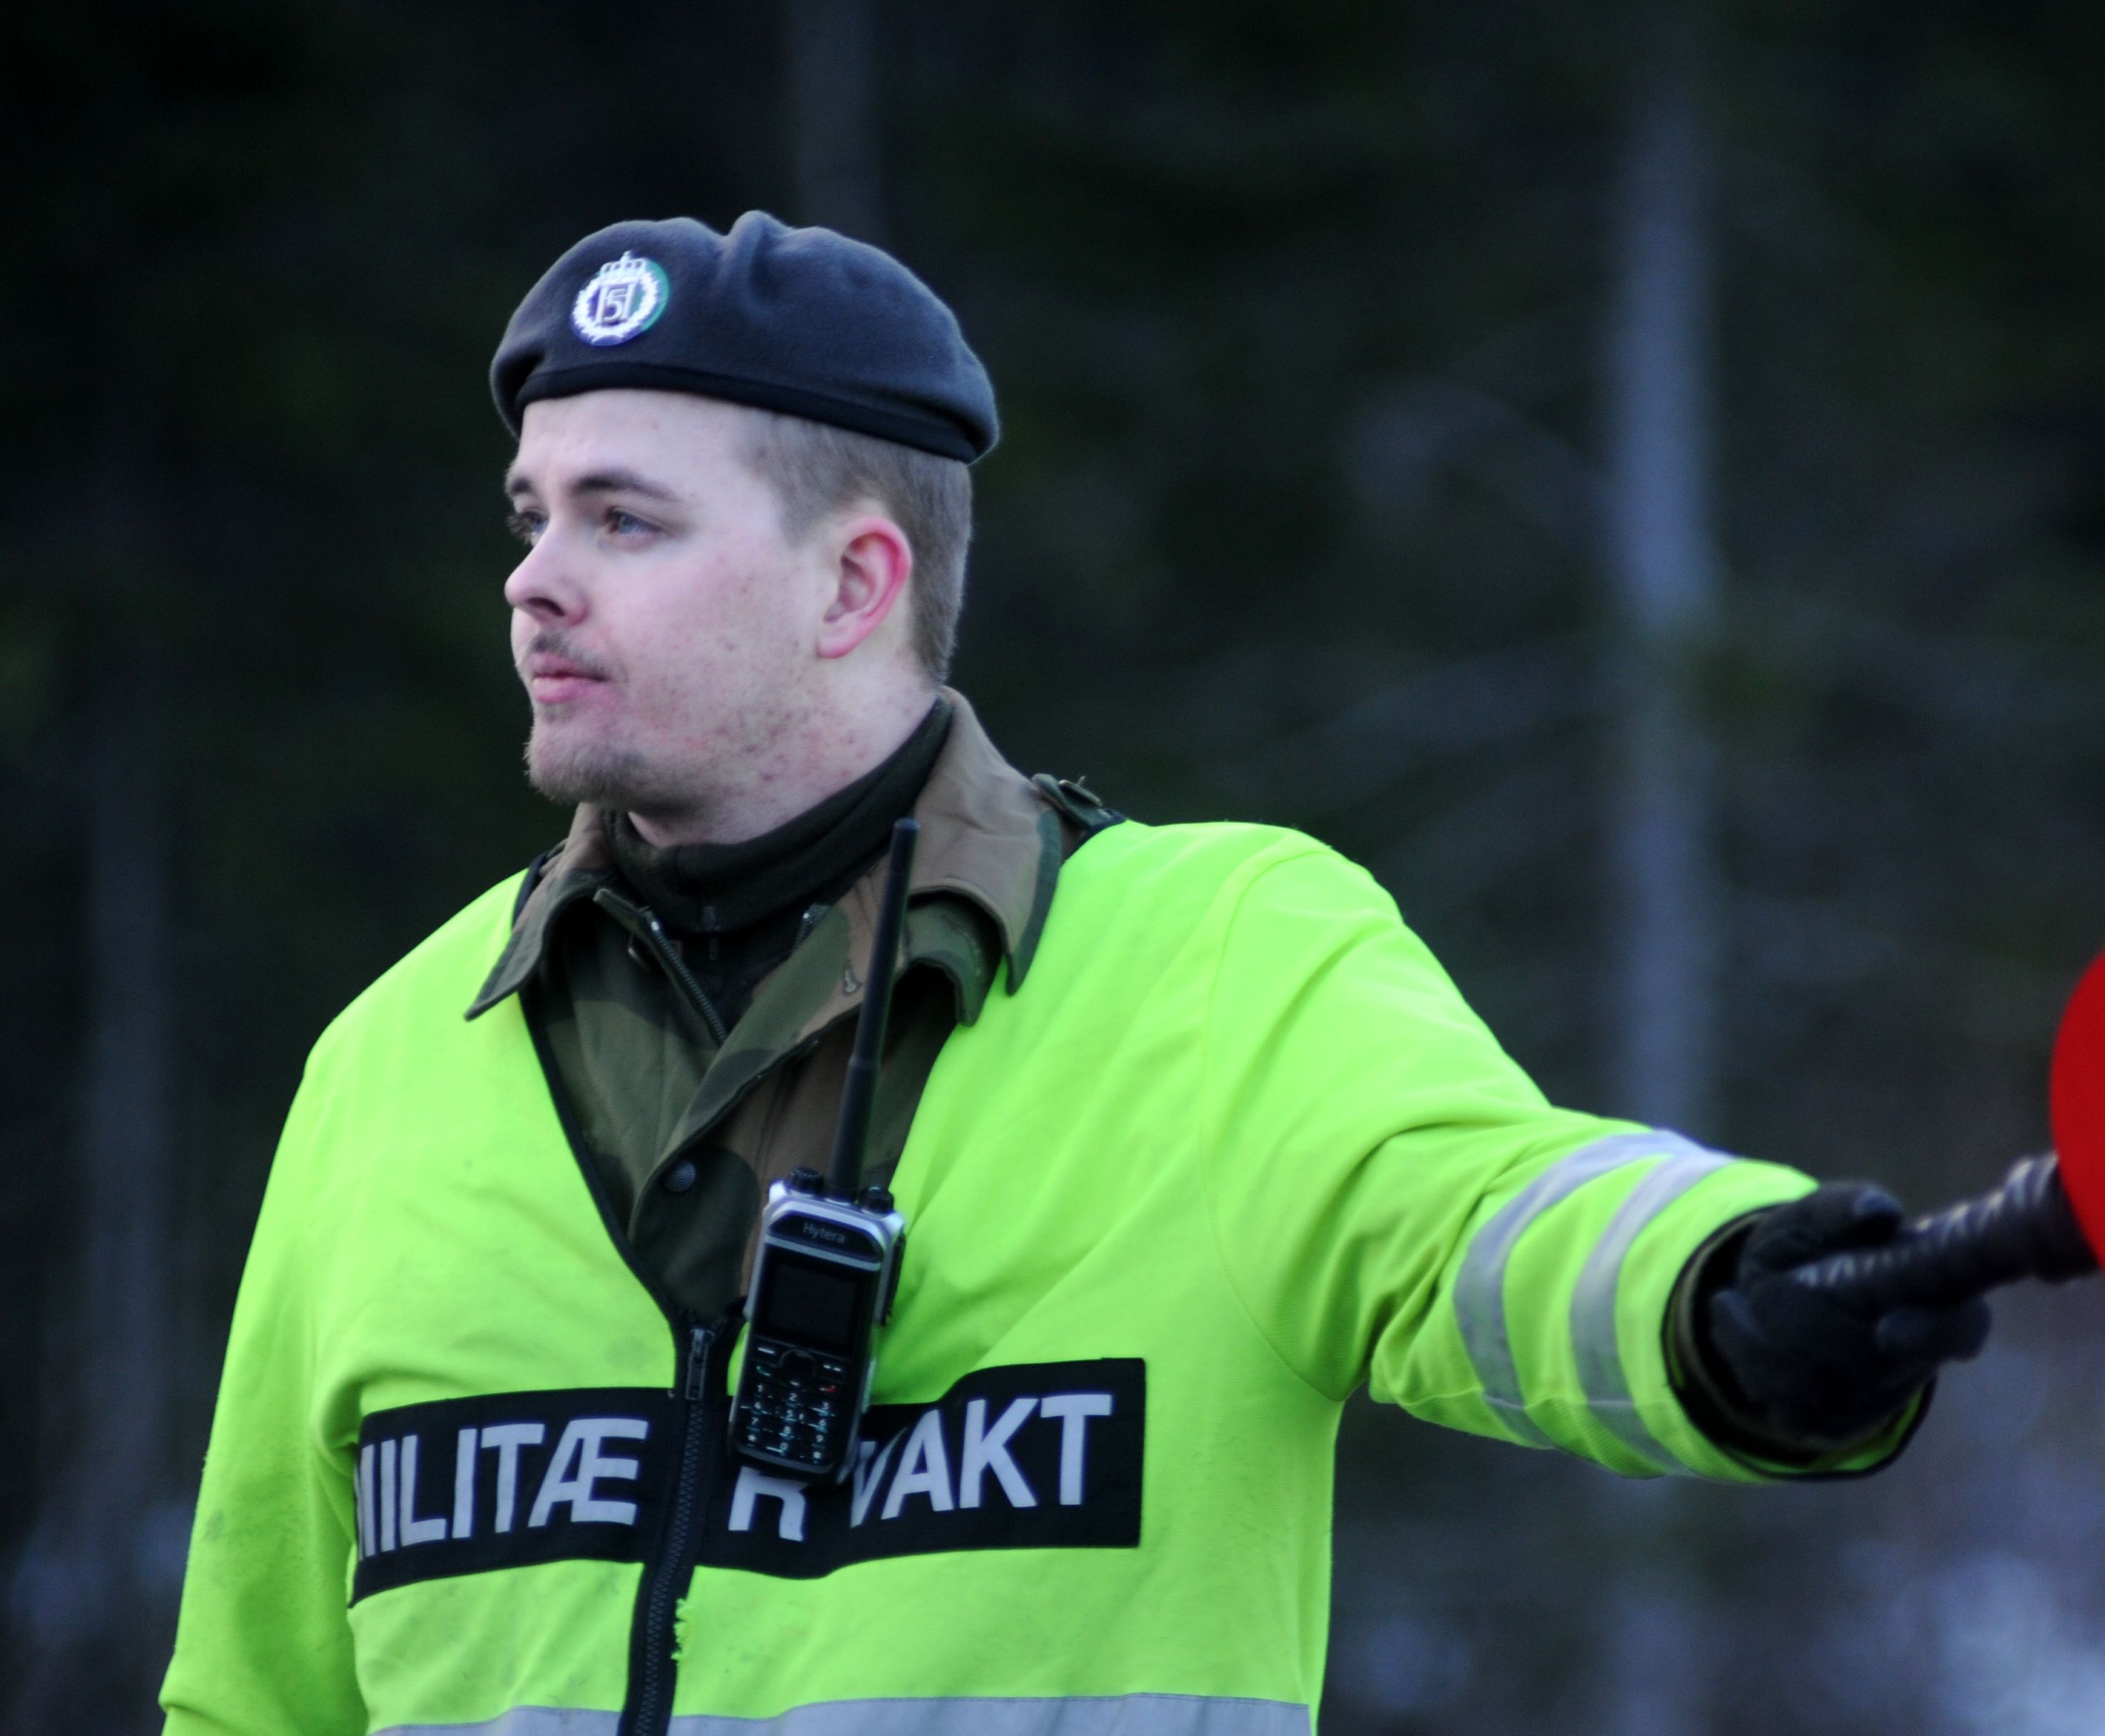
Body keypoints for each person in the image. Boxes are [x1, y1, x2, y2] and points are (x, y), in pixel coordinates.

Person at [160, 213, 1987, 1736]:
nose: (535, 582)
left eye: (622, 520)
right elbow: (250, 1699)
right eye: (531, 516)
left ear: (852, 585)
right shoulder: (385, 1063)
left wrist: (1726, 1286)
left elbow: (1483, 1223)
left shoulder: (1216, 959)